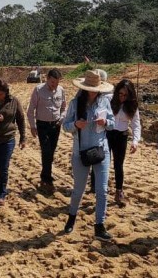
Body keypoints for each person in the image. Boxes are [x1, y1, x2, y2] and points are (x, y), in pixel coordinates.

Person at [62, 70, 115, 241]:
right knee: (78, 190)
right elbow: (65, 125)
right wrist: (75, 124)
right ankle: (71, 217)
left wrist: (106, 122)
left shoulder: (105, 101)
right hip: (80, 152)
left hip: (101, 151)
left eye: (97, 89)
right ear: (84, 88)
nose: (95, 92)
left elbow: (113, 124)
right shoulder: (75, 103)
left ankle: (99, 225)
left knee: (102, 190)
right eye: (91, 88)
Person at [26, 68, 67, 194]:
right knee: (46, 150)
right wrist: (33, 126)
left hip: (56, 125)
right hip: (42, 125)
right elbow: (30, 110)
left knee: (51, 151)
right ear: (47, 79)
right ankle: (46, 179)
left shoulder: (61, 90)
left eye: (57, 82)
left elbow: (64, 107)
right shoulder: (38, 90)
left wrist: (62, 118)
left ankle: (46, 174)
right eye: (53, 82)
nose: (55, 85)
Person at [107, 79, 141, 208]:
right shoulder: (109, 99)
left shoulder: (132, 105)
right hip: (107, 133)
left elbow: (136, 124)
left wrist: (135, 141)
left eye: (125, 95)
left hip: (121, 136)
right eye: (120, 94)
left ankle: (119, 191)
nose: (122, 97)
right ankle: (97, 186)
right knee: (103, 161)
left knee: (118, 165)